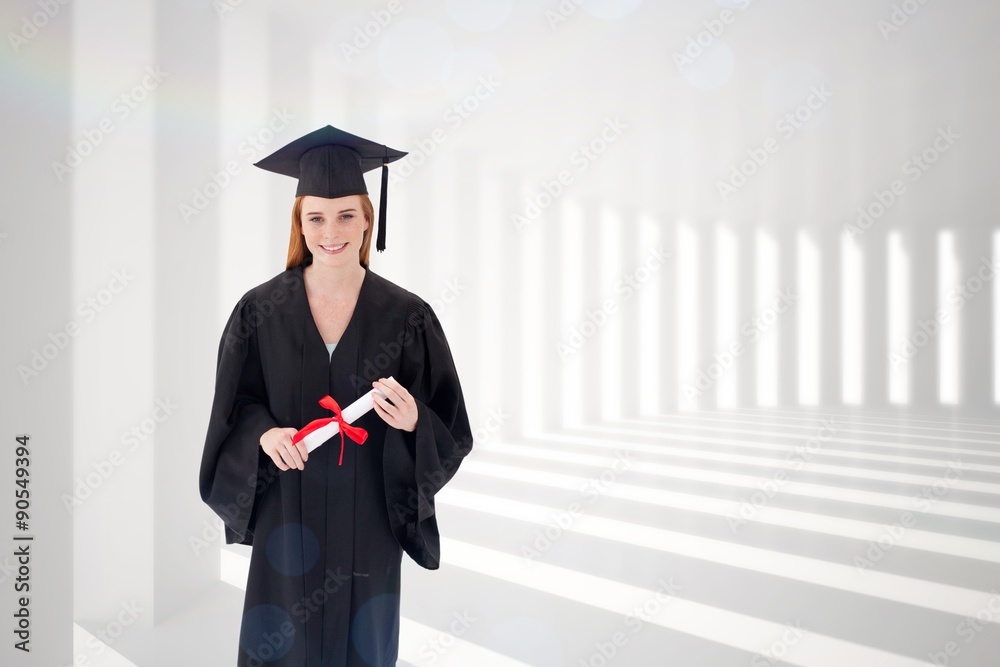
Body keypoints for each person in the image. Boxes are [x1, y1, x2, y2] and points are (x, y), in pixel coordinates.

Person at [198, 125, 474, 666]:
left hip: (369, 510)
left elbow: (451, 424)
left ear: (368, 217)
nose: (332, 231)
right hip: (287, 506)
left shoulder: (407, 315)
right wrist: (265, 433)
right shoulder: (260, 310)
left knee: (363, 641)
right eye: (316, 217)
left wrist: (417, 420)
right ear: (300, 222)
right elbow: (234, 407)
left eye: (347, 214)